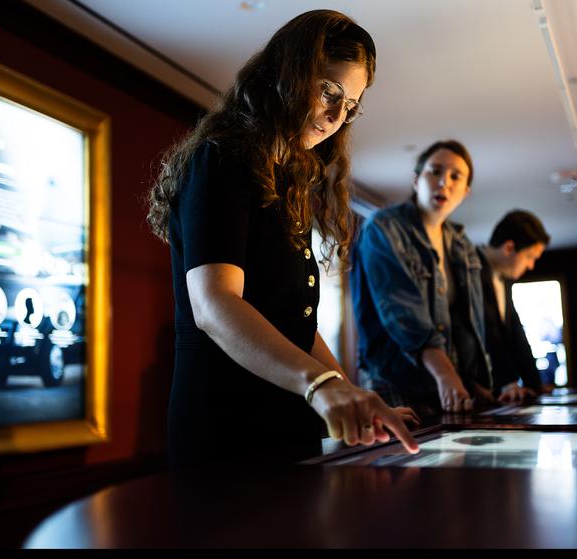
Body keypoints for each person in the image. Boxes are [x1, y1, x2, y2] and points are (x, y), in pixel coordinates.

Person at [146, 10, 419, 470]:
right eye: (330, 92)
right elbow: (214, 305)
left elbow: (296, 325)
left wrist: (350, 393)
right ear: (286, 73)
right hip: (225, 427)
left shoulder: (287, 181)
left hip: (284, 420)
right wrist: (320, 386)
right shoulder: (221, 157)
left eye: (350, 106)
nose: (337, 117)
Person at [353, 140, 494, 416]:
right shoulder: (384, 227)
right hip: (395, 380)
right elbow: (402, 311)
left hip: (448, 382)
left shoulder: (461, 243)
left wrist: (474, 380)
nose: (444, 182)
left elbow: (469, 320)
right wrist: (446, 375)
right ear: (417, 180)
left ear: (465, 192)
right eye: (435, 171)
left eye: (456, 176)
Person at [476, 210, 552, 403]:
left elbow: (516, 334)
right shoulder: (472, 268)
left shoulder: (506, 278)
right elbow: (487, 332)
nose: (531, 265)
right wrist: (507, 383)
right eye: (530, 256)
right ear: (509, 248)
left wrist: (535, 384)